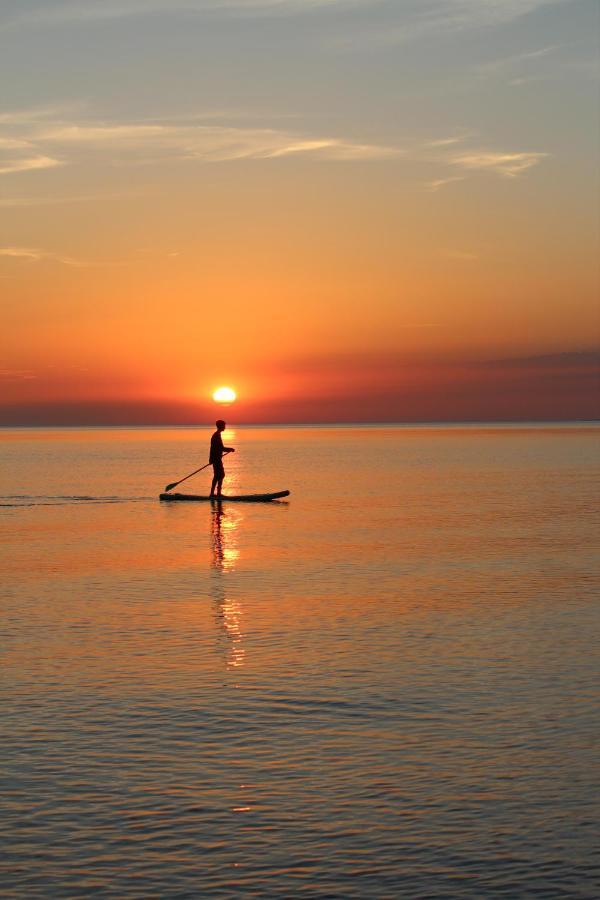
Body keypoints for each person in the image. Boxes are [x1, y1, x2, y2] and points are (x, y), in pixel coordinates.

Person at [209, 420, 235, 497]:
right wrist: (230, 449)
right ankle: (214, 493)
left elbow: (217, 448)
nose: (225, 427)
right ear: (220, 426)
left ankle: (216, 493)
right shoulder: (216, 435)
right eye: (224, 425)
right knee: (219, 475)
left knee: (219, 475)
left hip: (217, 459)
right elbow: (220, 448)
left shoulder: (217, 435)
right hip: (216, 459)